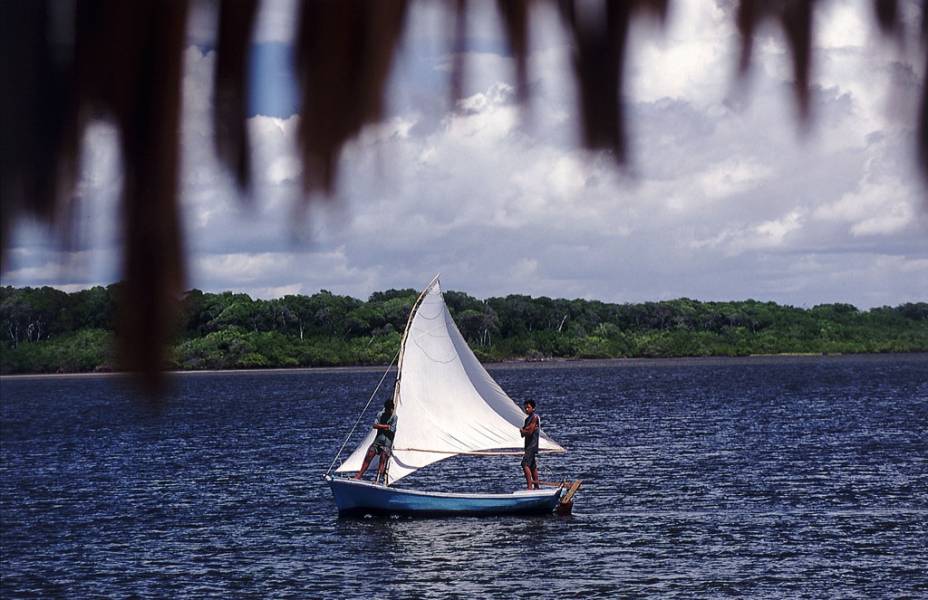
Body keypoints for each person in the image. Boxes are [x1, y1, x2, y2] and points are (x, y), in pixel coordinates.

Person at [354, 398, 398, 483]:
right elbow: (375, 425)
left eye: (391, 410)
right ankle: (358, 476)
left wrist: (381, 426)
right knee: (369, 455)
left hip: (387, 443)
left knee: (382, 458)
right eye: (388, 410)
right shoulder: (380, 414)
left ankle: (377, 479)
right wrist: (385, 426)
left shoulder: (394, 417)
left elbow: (392, 429)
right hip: (378, 440)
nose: (390, 411)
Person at [519, 399, 541, 490]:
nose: (526, 409)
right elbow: (522, 434)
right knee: (532, 465)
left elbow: (530, 432)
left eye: (528, 407)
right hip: (528, 445)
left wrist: (524, 431)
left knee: (524, 464)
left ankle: (530, 487)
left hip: (532, 445)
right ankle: (536, 486)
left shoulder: (535, 417)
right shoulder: (527, 419)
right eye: (525, 408)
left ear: (533, 408)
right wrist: (524, 431)